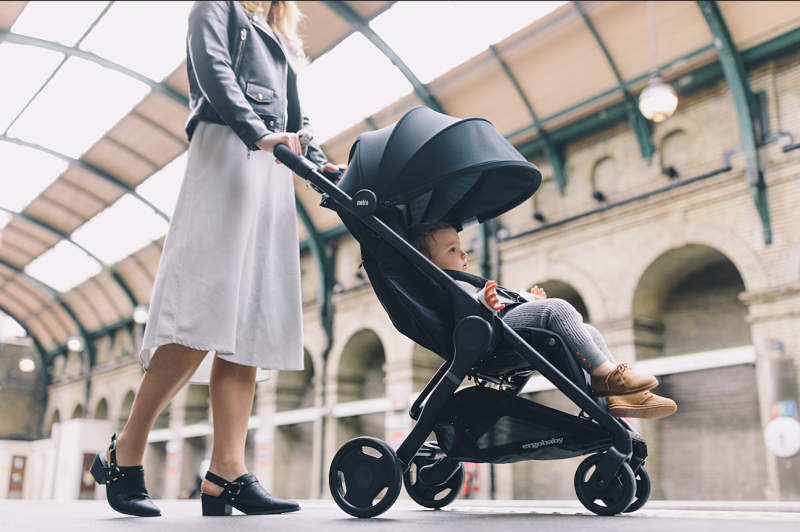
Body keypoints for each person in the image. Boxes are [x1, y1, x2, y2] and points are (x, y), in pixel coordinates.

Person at [90, 1, 345, 517]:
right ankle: (125, 451)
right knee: (202, 311)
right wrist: (259, 133)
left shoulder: (278, 32)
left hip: (273, 162)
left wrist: (318, 162)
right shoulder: (216, 7)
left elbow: (297, 113)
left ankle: (227, 470)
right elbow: (213, 71)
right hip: (230, 147)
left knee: (250, 317)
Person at [406, 222, 677, 420]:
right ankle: (607, 376)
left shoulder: (457, 281)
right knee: (557, 308)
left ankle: (615, 400)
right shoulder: (443, 286)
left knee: (587, 331)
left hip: (500, 321)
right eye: (453, 249)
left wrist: (527, 302)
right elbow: (464, 313)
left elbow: (492, 301)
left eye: (461, 247)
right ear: (427, 262)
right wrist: (485, 302)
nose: (464, 254)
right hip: (491, 332)